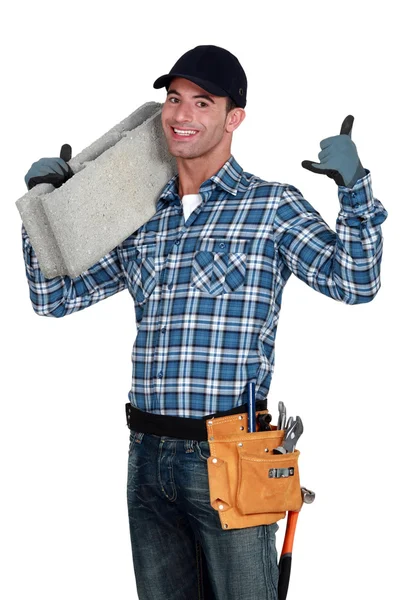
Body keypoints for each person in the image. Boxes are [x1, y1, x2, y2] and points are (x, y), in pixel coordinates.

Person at [22, 45, 387, 600]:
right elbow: (54, 299)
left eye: (201, 102)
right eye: (172, 99)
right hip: (146, 454)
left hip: (232, 455)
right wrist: (39, 212)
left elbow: (355, 282)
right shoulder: (143, 218)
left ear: (233, 118)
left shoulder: (271, 207)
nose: (180, 115)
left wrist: (354, 188)